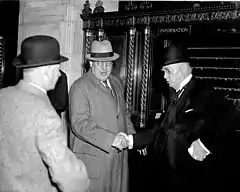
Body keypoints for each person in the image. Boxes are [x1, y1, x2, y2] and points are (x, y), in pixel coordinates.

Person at [121, 43, 240, 191]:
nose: (164, 76)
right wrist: (131, 140)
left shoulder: (202, 91)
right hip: (171, 177)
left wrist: (205, 144)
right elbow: (160, 129)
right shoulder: (176, 94)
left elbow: (231, 116)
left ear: (183, 69)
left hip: (193, 178)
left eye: (168, 71)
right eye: (163, 71)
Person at [0, 35, 89, 192]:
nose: (59, 74)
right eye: (57, 68)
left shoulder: (3, 96)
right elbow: (68, 176)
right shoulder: (45, 114)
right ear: (47, 71)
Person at [69, 39, 136, 192]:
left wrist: (133, 137)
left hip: (118, 158)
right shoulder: (80, 86)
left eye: (109, 63)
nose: (105, 68)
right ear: (91, 63)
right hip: (95, 160)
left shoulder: (116, 82)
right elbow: (79, 124)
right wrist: (111, 139)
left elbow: (123, 114)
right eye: (100, 63)